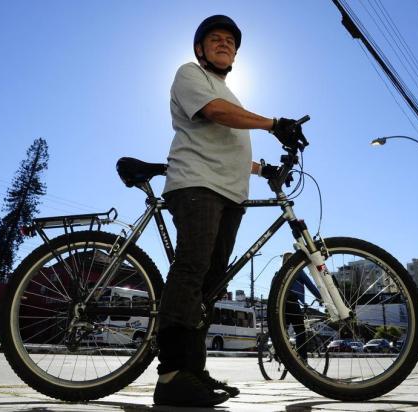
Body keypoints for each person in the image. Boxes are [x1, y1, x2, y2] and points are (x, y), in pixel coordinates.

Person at [153, 15, 302, 407]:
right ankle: (170, 374)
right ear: (200, 49)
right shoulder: (190, 74)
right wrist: (273, 124)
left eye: (230, 41)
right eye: (215, 39)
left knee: (209, 286)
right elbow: (216, 115)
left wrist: (262, 168)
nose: (224, 44)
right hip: (197, 185)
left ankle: (192, 372)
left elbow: (226, 140)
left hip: (229, 193)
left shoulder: (228, 91)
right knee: (192, 268)